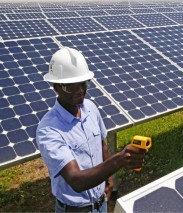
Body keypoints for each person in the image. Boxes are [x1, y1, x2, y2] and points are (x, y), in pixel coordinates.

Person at [36, 47, 146, 213]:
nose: (79, 90)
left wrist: (108, 177)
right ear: (56, 87)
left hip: (101, 204)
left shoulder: (90, 108)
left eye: (82, 83)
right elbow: (76, 180)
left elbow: (101, 143)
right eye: (70, 86)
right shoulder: (49, 130)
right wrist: (119, 161)